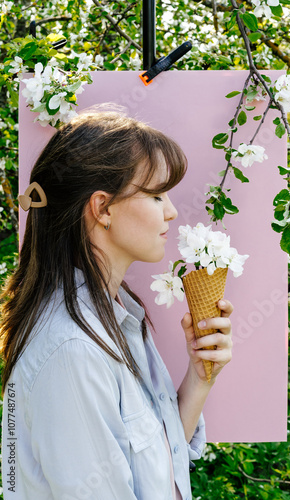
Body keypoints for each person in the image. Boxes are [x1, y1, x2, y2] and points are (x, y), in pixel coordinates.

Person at [0, 111, 233, 500]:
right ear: (103, 208)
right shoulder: (73, 349)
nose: (171, 211)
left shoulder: (115, 316)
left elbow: (157, 463)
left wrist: (200, 377)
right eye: (157, 194)